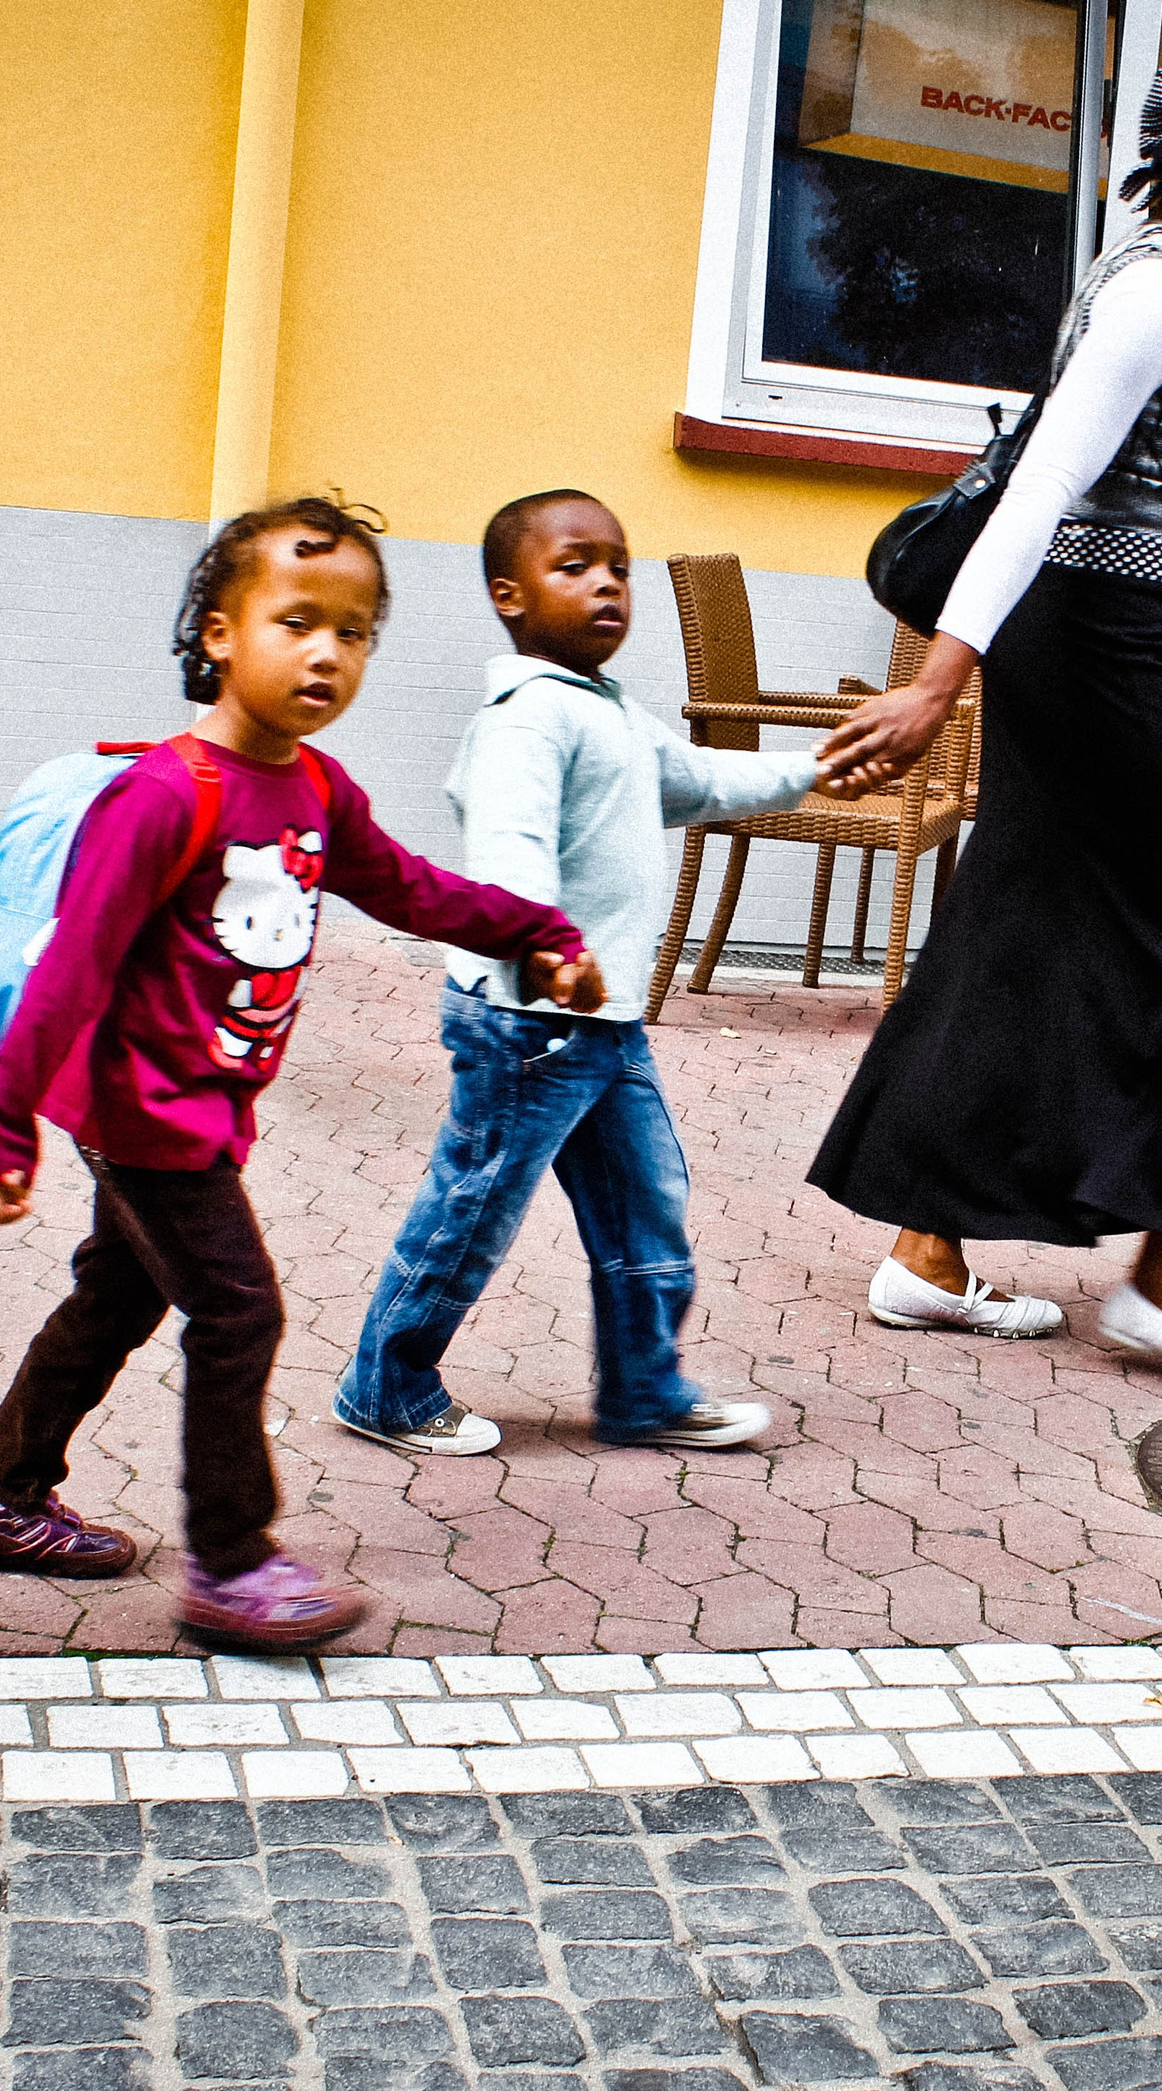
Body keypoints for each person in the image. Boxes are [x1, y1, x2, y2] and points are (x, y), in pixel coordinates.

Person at [0, 496, 599, 1647]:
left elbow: (411, 889)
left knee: (116, 1294)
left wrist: (534, 930)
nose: (326, 651)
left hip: (197, 1109)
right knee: (238, 1312)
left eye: (352, 631)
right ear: (222, 633)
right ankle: (231, 1564)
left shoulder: (317, 790)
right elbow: (69, 976)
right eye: (297, 621)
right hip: (143, 1116)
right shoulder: (163, 796)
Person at [811, 39, 1162, 1387]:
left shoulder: (1148, 283)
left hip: (1108, 649)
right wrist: (934, 678)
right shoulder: (1154, 295)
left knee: (1022, 940)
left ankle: (926, 1248)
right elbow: (1039, 494)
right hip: (1095, 653)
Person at [335, 489, 845, 1457]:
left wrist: (816, 766)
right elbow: (509, 850)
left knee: (646, 1203)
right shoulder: (528, 720)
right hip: (530, 1022)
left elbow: (698, 781)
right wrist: (549, 947)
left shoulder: (607, 709)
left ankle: (644, 1392)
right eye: (574, 567)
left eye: (617, 564)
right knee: (475, 1205)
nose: (607, 583)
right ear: (509, 596)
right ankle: (384, 1387)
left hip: (601, 1026)